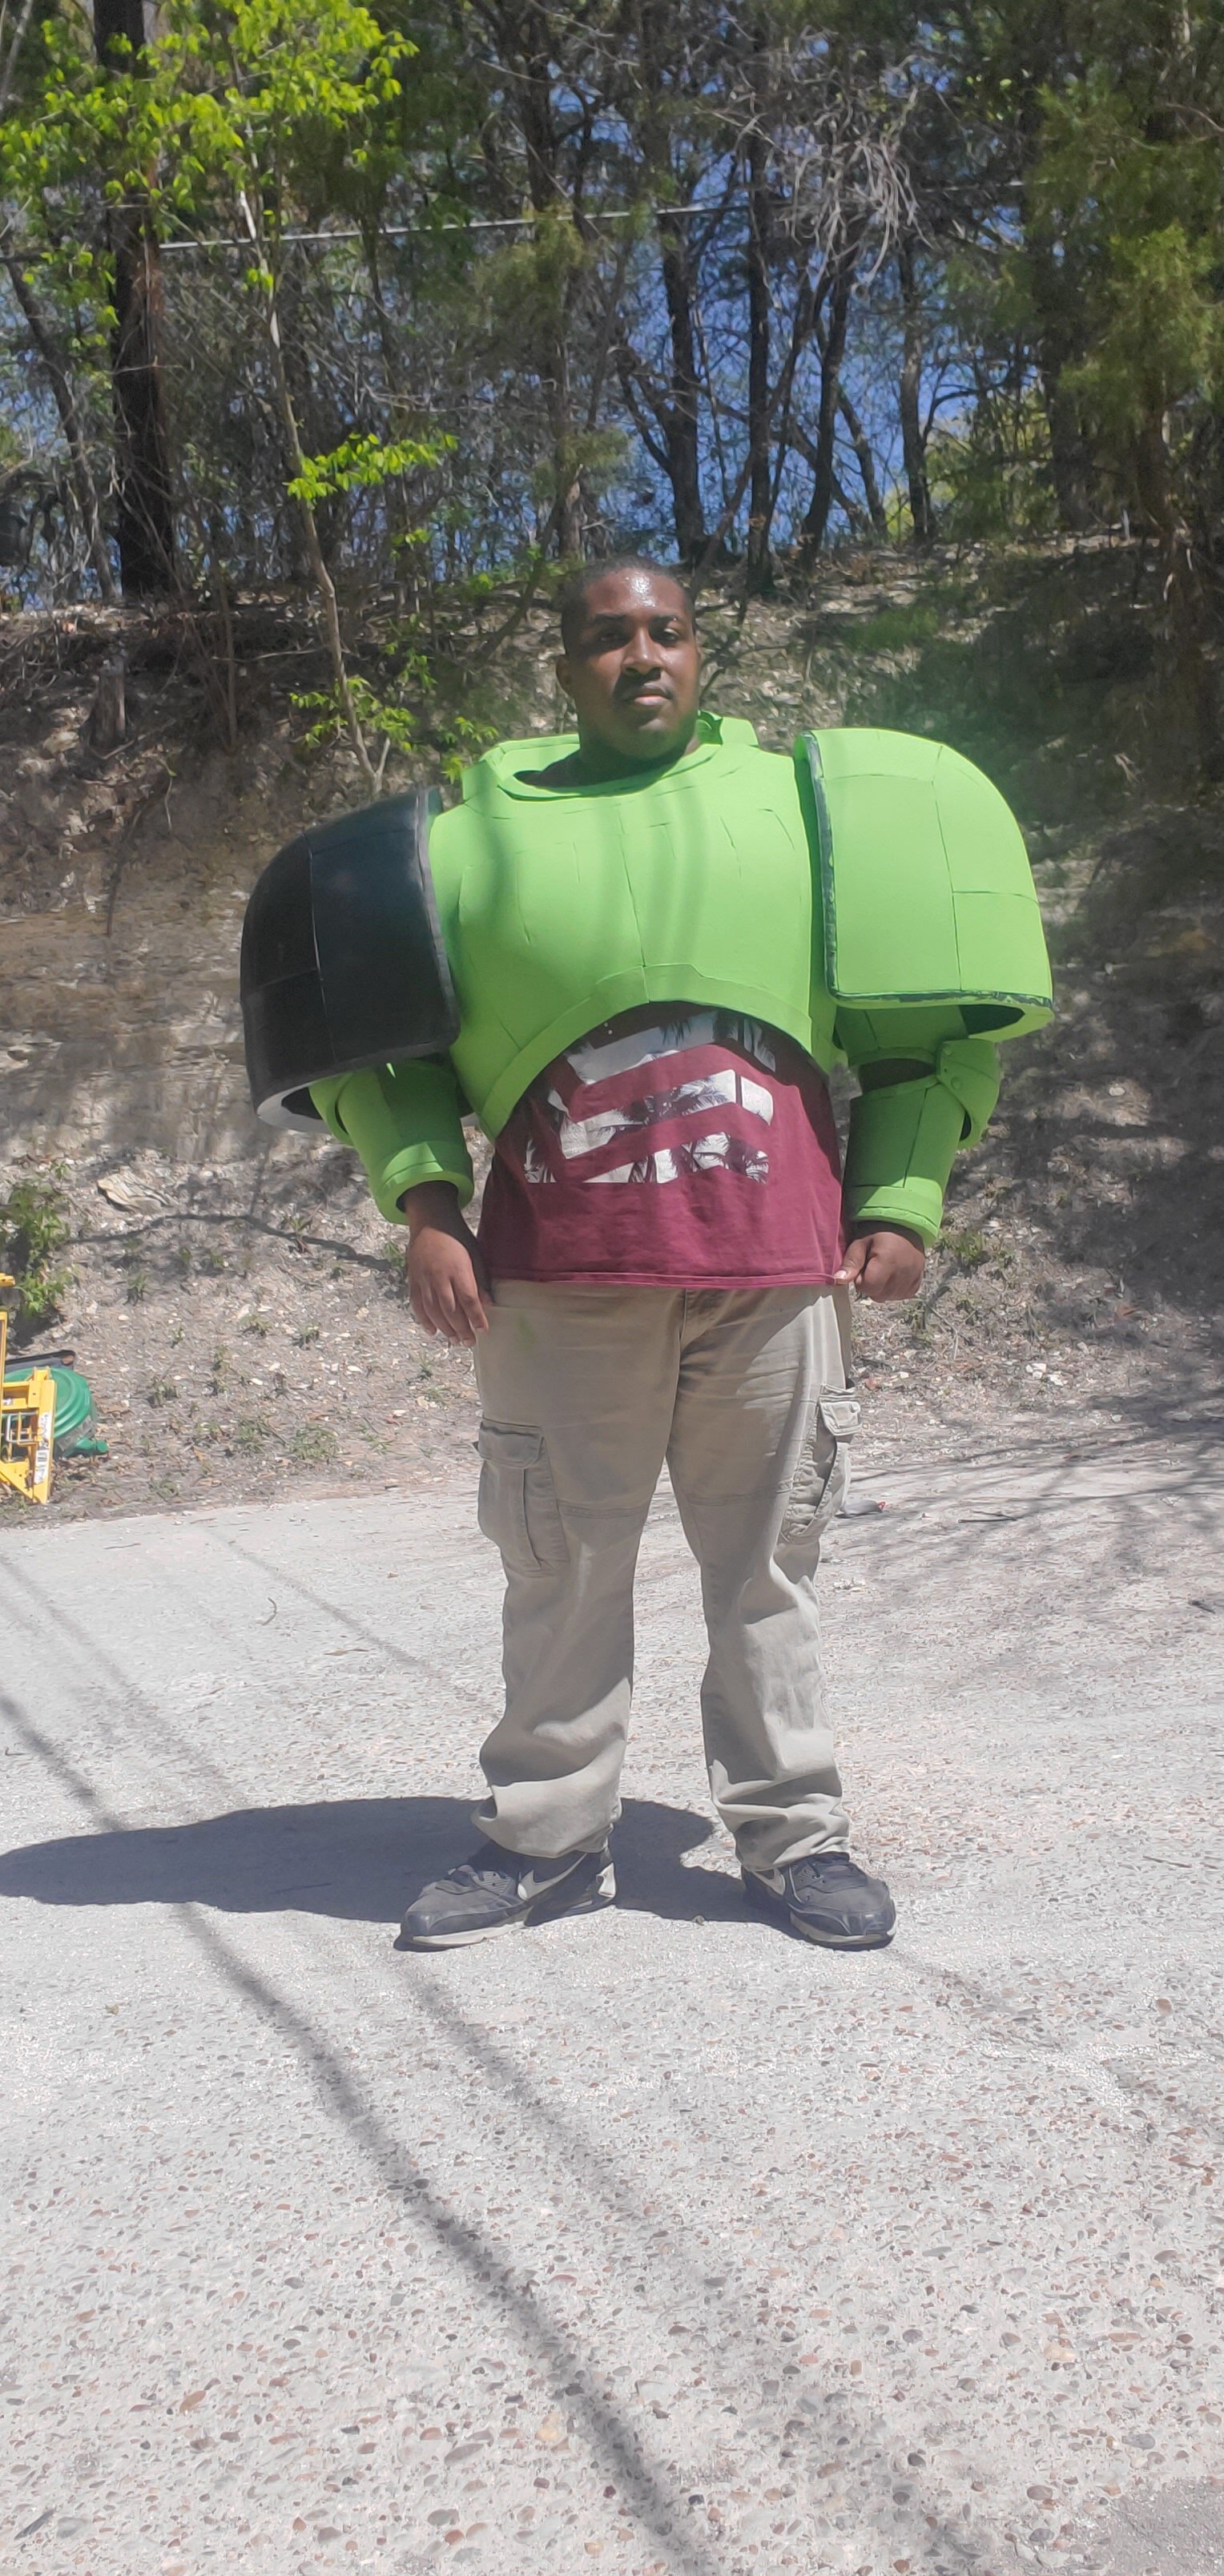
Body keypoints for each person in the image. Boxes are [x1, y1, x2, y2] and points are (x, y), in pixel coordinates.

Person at [306, 557, 1047, 1951]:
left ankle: (793, 1837)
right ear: (566, 667)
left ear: (701, 652)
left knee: (769, 1570)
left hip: (773, 1276)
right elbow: (382, 1054)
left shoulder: (812, 819)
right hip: (558, 1280)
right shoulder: (460, 847)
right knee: (561, 1569)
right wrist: (426, 1207)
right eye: (608, 637)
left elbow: (918, 1033)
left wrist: (901, 1198)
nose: (641, 655)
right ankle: (543, 1835)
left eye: (668, 631)